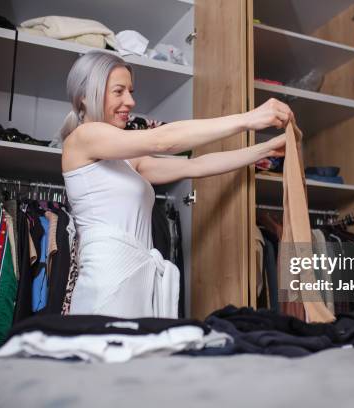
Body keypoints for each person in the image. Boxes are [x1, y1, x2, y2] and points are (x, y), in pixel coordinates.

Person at [60, 50, 294, 319]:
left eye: (131, 91)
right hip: (108, 282)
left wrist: (263, 150)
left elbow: (196, 166)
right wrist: (247, 119)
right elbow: (164, 140)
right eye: (119, 91)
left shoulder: (127, 161)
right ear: (86, 96)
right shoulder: (83, 137)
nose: (131, 101)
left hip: (135, 282)